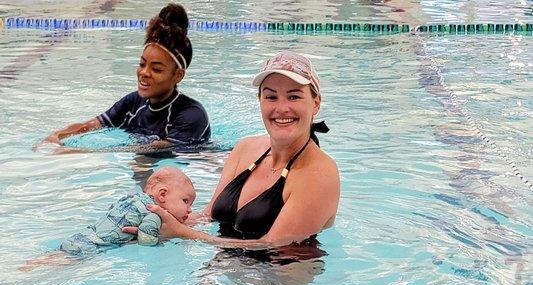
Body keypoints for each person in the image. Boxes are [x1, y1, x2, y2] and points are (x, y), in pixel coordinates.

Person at [125, 50, 340, 248]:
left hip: (279, 281)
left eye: (294, 96)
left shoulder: (320, 174)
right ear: (260, 101)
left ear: (316, 102)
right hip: (223, 270)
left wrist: (181, 233)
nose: (281, 108)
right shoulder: (245, 149)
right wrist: (156, 219)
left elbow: (271, 244)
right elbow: (208, 216)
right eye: (271, 96)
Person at [39, 3, 210, 152]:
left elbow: (156, 150)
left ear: (178, 75)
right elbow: (90, 126)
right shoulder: (133, 103)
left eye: (156, 69)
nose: (144, 72)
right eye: (142, 64)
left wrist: (80, 151)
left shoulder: (192, 115)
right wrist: (57, 136)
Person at [21, 166, 195, 269]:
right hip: (91, 250)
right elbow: (147, 240)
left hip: (82, 237)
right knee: (56, 269)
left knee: (46, 261)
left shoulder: (131, 198)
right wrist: (163, 240)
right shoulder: (153, 214)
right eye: (185, 201)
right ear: (162, 194)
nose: (189, 210)